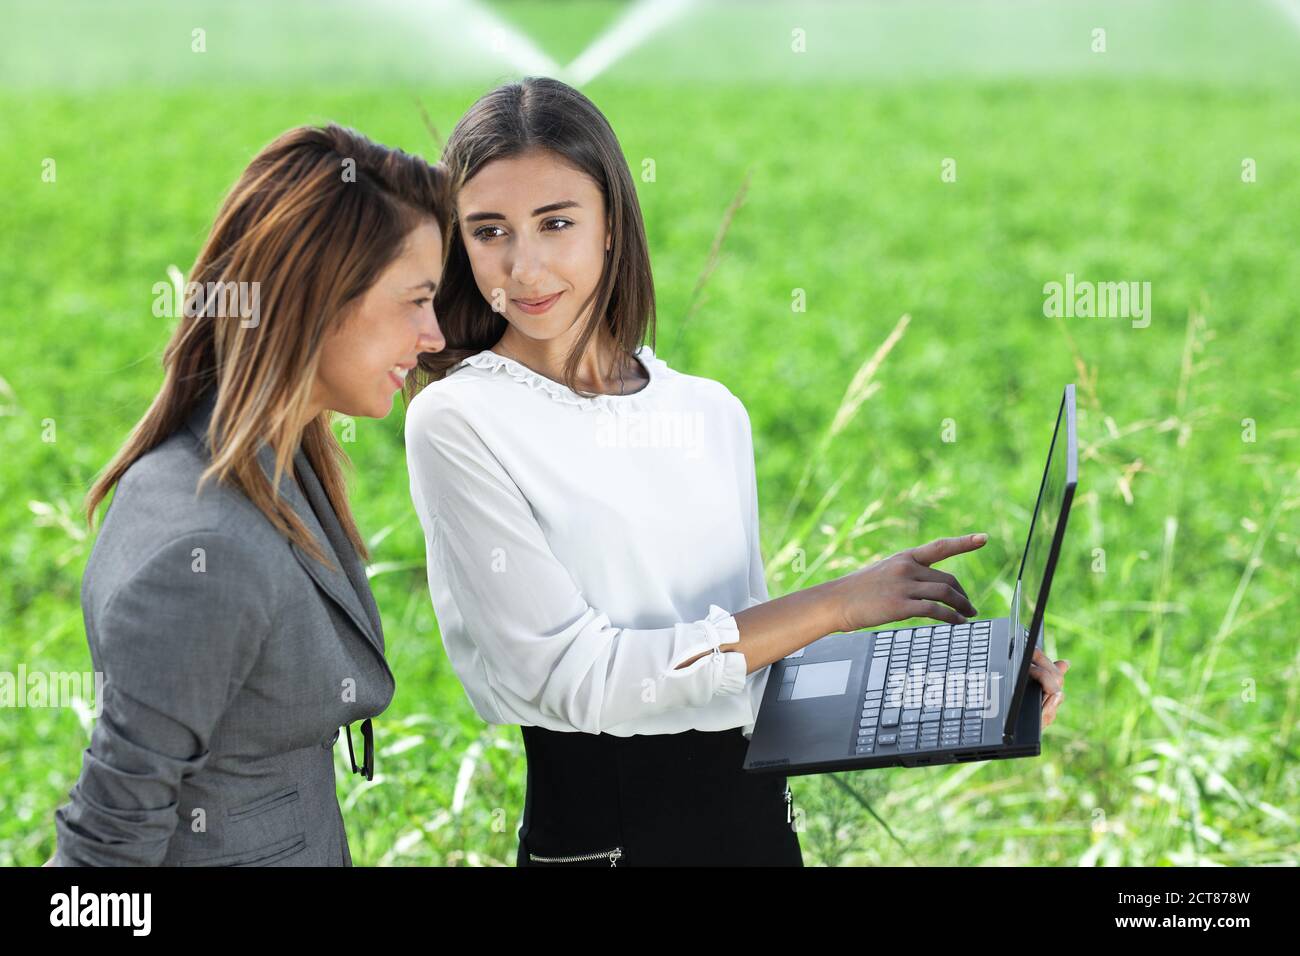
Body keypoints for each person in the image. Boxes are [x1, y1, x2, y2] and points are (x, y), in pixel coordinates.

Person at [403, 77, 1069, 867]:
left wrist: (969, 691)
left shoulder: (710, 410)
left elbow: (745, 665)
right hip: (608, 843)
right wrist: (835, 604)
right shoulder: (461, 419)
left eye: (556, 222)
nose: (526, 264)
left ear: (612, 225)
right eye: (489, 232)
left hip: (759, 834)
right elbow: (579, 679)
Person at [47, 123, 450, 866]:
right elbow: (107, 845)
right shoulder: (206, 552)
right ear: (322, 297)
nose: (432, 334)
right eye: (417, 300)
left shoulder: (273, 465)